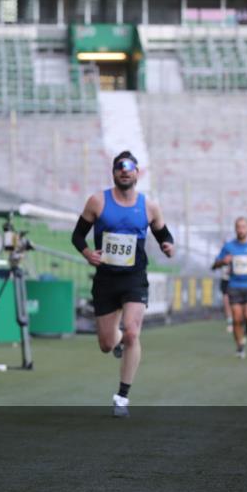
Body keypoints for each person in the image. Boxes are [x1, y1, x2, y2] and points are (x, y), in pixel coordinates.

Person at [71, 151, 175, 418]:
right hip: (105, 279)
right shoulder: (97, 201)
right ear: (114, 172)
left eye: (129, 167)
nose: (125, 171)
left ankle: (122, 397)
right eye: (120, 167)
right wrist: (87, 253)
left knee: (132, 332)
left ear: (137, 173)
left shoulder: (149, 206)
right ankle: (116, 342)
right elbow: (78, 235)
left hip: (134, 278)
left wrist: (167, 244)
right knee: (106, 344)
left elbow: (163, 231)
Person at [213, 217, 247, 359]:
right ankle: (240, 347)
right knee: (236, 319)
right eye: (238, 227)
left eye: (243, 227)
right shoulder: (229, 247)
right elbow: (214, 265)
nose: (241, 230)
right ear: (235, 229)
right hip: (234, 286)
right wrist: (223, 261)